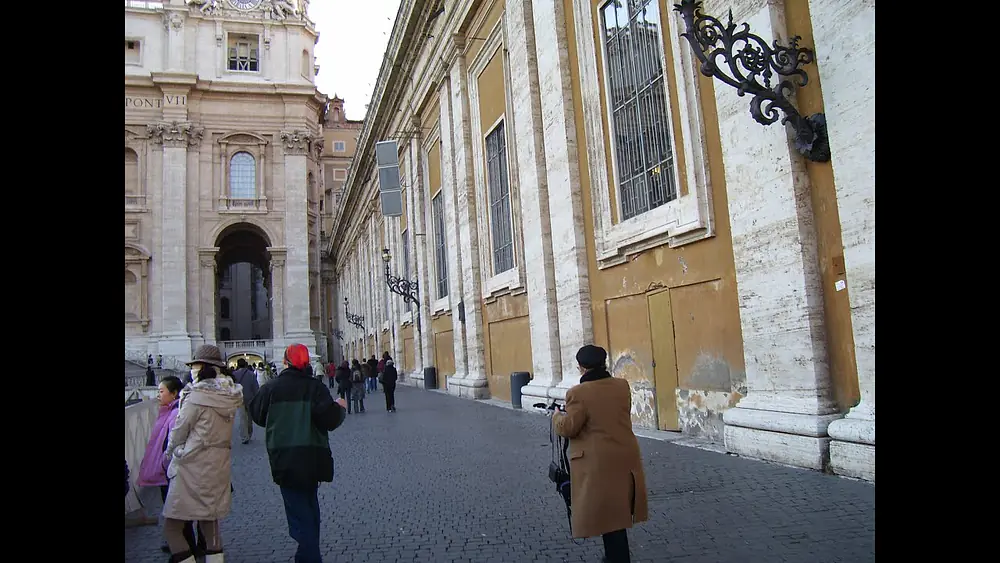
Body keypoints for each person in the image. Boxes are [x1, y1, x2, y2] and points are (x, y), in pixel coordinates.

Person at [249, 344, 348, 563]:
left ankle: (308, 557)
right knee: (310, 509)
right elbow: (330, 421)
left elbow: (256, 414)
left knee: (299, 513)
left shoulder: (270, 388)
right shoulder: (316, 388)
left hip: (284, 458)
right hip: (313, 458)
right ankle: (310, 553)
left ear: (285, 362)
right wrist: (340, 407)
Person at [552, 344, 649, 563]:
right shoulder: (621, 386)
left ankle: (617, 558)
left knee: (608, 513)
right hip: (624, 456)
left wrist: (557, 416)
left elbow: (569, 428)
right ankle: (616, 556)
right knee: (617, 511)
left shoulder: (577, 393)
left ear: (581, 368)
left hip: (598, 463)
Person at [162, 345, 243, 563]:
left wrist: (173, 452)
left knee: (172, 526)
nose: (192, 370)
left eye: (194, 365)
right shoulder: (230, 394)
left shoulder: (196, 396)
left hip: (192, 465)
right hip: (218, 464)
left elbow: (179, 431)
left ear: (202, 367)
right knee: (211, 525)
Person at [231, 358, 259, 444]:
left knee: (242, 418)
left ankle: (244, 436)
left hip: (240, 398)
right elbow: (256, 387)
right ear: (246, 364)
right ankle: (249, 433)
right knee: (250, 417)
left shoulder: (234, 375)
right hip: (250, 398)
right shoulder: (251, 374)